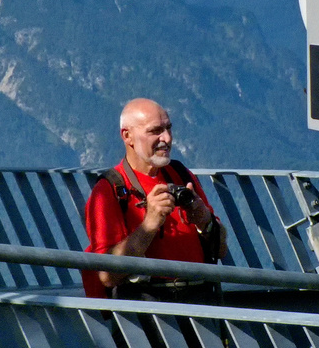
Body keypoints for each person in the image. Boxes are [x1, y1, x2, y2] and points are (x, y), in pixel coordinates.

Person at [83, 98, 226, 301]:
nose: (166, 138)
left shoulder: (181, 175)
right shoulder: (109, 190)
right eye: (155, 131)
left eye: (168, 128)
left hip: (201, 297)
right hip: (148, 307)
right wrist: (149, 225)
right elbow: (107, 275)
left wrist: (205, 221)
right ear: (128, 136)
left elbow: (221, 250)